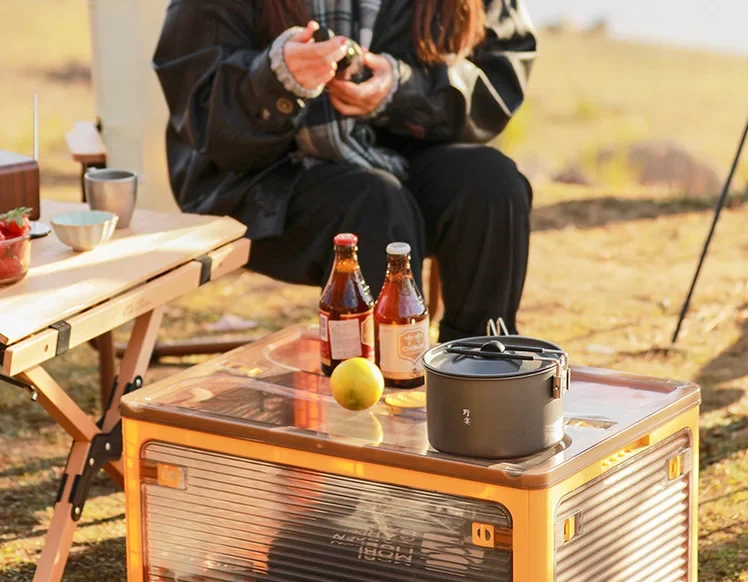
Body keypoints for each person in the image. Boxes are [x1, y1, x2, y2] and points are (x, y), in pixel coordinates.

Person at [154, 0, 536, 342]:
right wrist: (275, 80)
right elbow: (198, 106)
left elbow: (502, 70)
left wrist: (405, 88)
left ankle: (482, 368)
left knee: (492, 184)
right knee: (375, 205)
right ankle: (381, 393)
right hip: (256, 179)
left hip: (400, 150)